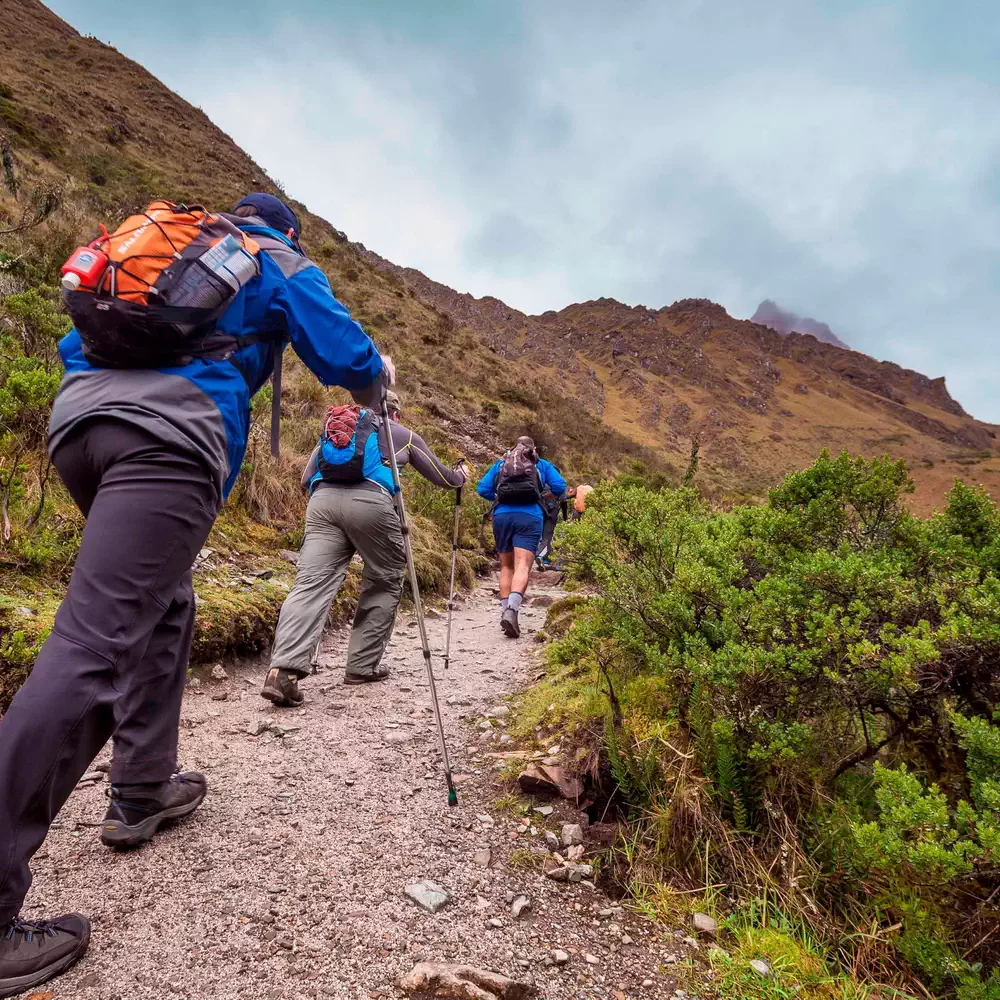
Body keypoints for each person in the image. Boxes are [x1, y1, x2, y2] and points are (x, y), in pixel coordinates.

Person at [0, 192, 391, 995]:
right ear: (287, 228)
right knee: (94, 646)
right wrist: (381, 376)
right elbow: (348, 359)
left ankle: (143, 786)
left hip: (81, 426)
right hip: (168, 443)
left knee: (166, 605)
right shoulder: (275, 256)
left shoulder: (168, 248)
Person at [260, 389, 467, 704]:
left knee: (310, 584)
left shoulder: (338, 430)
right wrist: (461, 475)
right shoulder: (403, 434)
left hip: (322, 504)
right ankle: (361, 665)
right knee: (386, 574)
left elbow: (305, 478)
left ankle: (282, 671)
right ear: (393, 412)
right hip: (371, 503)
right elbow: (445, 478)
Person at [477, 436, 566, 638]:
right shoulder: (541, 464)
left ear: (514, 446)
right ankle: (512, 611)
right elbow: (560, 487)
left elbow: (482, 489)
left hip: (502, 516)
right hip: (530, 516)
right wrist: (541, 496)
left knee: (506, 566)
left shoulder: (502, 463)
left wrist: (500, 497)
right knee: (523, 566)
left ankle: (504, 611)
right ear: (533, 448)